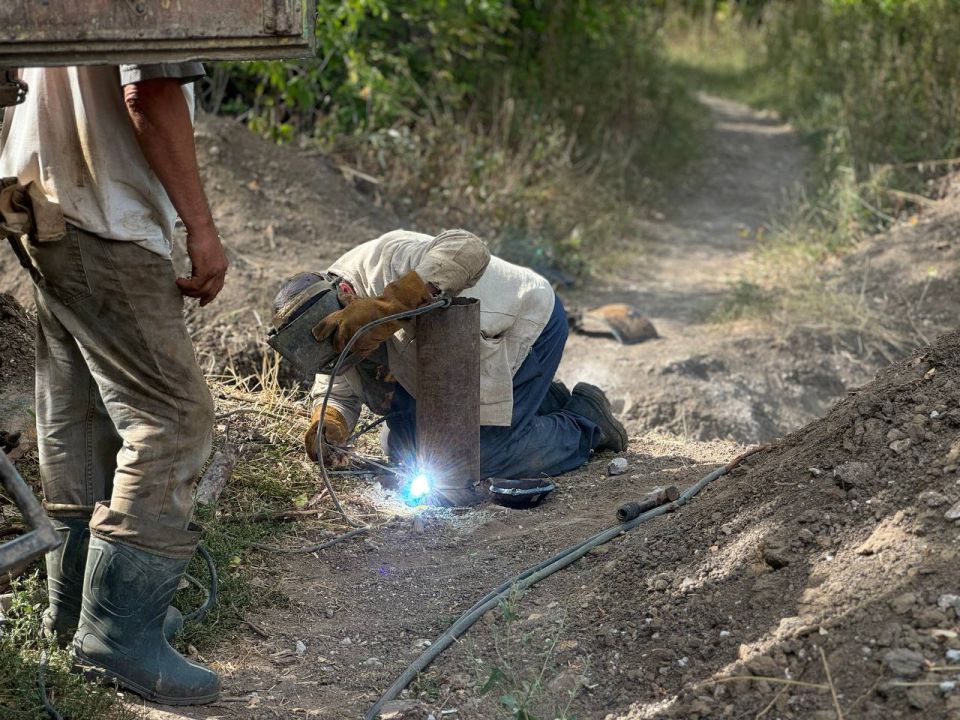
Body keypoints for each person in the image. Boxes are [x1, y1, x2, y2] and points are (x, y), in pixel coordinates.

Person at [0, 64, 226, 704]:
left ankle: (76, 609)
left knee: (82, 414)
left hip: (42, 205)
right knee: (175, 419)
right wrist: (200, 230)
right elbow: (148, 92)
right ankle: (119, 632)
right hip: (105, 212)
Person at [272, 229, 627, 483]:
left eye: (342, 349)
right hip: (456, 365)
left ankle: (586, 421)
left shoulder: (386, 257)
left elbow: (468, 248)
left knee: (478, 458)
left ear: (346, 294)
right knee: (402, 449)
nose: (341, 361)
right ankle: (542, 402)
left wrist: (388, 307)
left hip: (525, 325)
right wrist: (328, 422)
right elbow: (336, 388)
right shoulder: (326, 330)